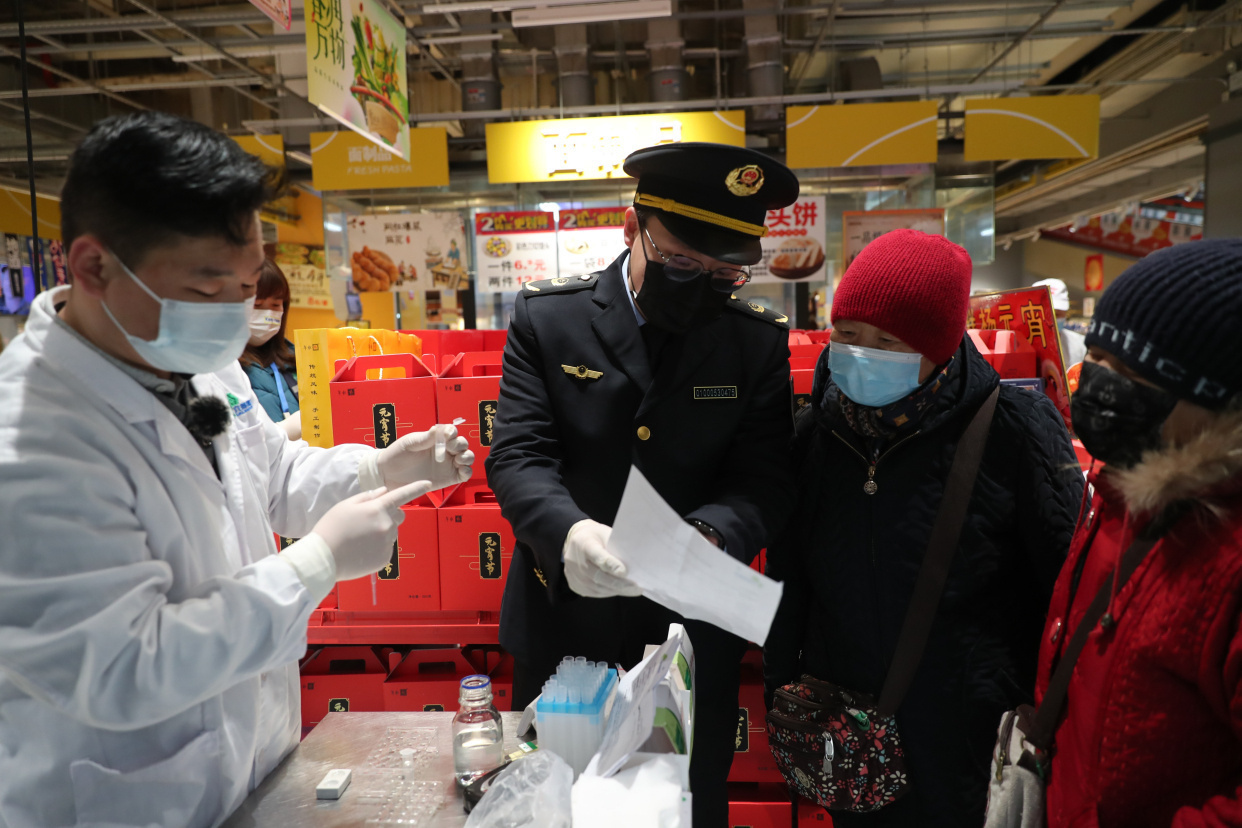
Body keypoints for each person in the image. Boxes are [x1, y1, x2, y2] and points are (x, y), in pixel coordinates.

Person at [0, 111, 474, 828]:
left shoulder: (194, 357)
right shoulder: (34, 438)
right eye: (207, 288)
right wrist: (315, 565)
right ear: (93, 267)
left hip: (250, 763)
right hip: (129, 802)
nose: (234, 313)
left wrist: (376, 469)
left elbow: (269, 475)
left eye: (249, 285)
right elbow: (123, 667)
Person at [485, 142, 800, 826]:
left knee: (685, 805)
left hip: (691, 635)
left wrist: (708, 534)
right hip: (564, 626)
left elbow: (766, 480)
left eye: (724, 274)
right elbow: (518, 456)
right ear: (632, 227)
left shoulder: (753, 341)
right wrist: (570, 533)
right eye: (681, 262)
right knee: (556, 806)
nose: (700, 283)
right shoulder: (550, 320)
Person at [764, 230, 1084, 827]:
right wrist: (783, 691)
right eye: (847, 334)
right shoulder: (816, 435)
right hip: (848, 734)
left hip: (968, 741)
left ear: (941, 345)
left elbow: (1064, 587)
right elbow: (789, 578)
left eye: (889, 342)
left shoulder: (1014, 430)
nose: (862, 353)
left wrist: (1048, 719)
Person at [1036, 239, 1242, 827]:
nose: (1101, 386)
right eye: (1097, 358)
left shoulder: (1226, 556)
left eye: (1131, 374)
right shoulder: (1120, 495)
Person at [240, 258, 300, 436]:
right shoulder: (223, 367)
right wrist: (282, 431)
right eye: (257, 305)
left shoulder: (296, 359)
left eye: (275, 305)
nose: (268, 314)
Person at [1032, 278, 1087, 368]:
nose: (1050, 320)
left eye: (1056, 314)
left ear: (1066, 313)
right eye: (1045, 314)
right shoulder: (1018, 345)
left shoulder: (1080, 345)